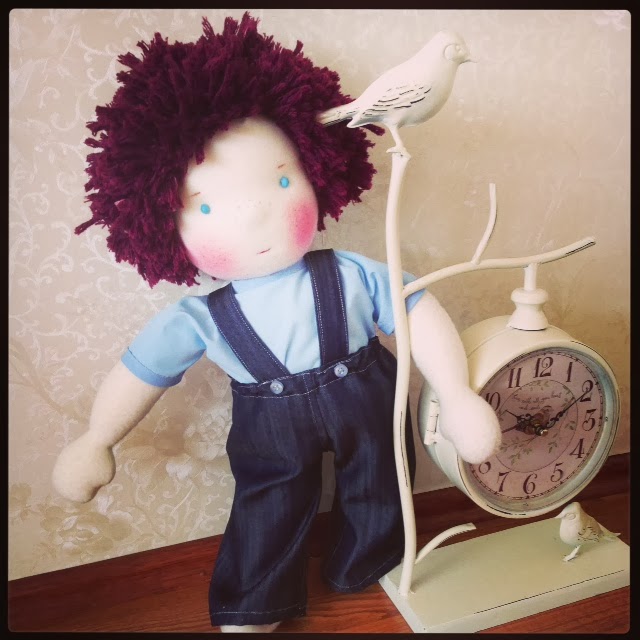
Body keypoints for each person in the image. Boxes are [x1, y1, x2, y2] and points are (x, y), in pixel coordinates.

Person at [52, 13, 501, 633]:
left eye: (282, 178)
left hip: (366, 388)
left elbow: (415, 307)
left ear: (316, 170)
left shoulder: (352, 272)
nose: (256, 215)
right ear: (164, 225)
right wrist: (98, 438)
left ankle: (370, 559)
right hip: (269, 420)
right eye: (208, 206)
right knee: (268, 500)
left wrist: (455, 393)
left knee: (381, 475)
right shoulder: (199, 318)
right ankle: (255, 600)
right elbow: (143, 370)